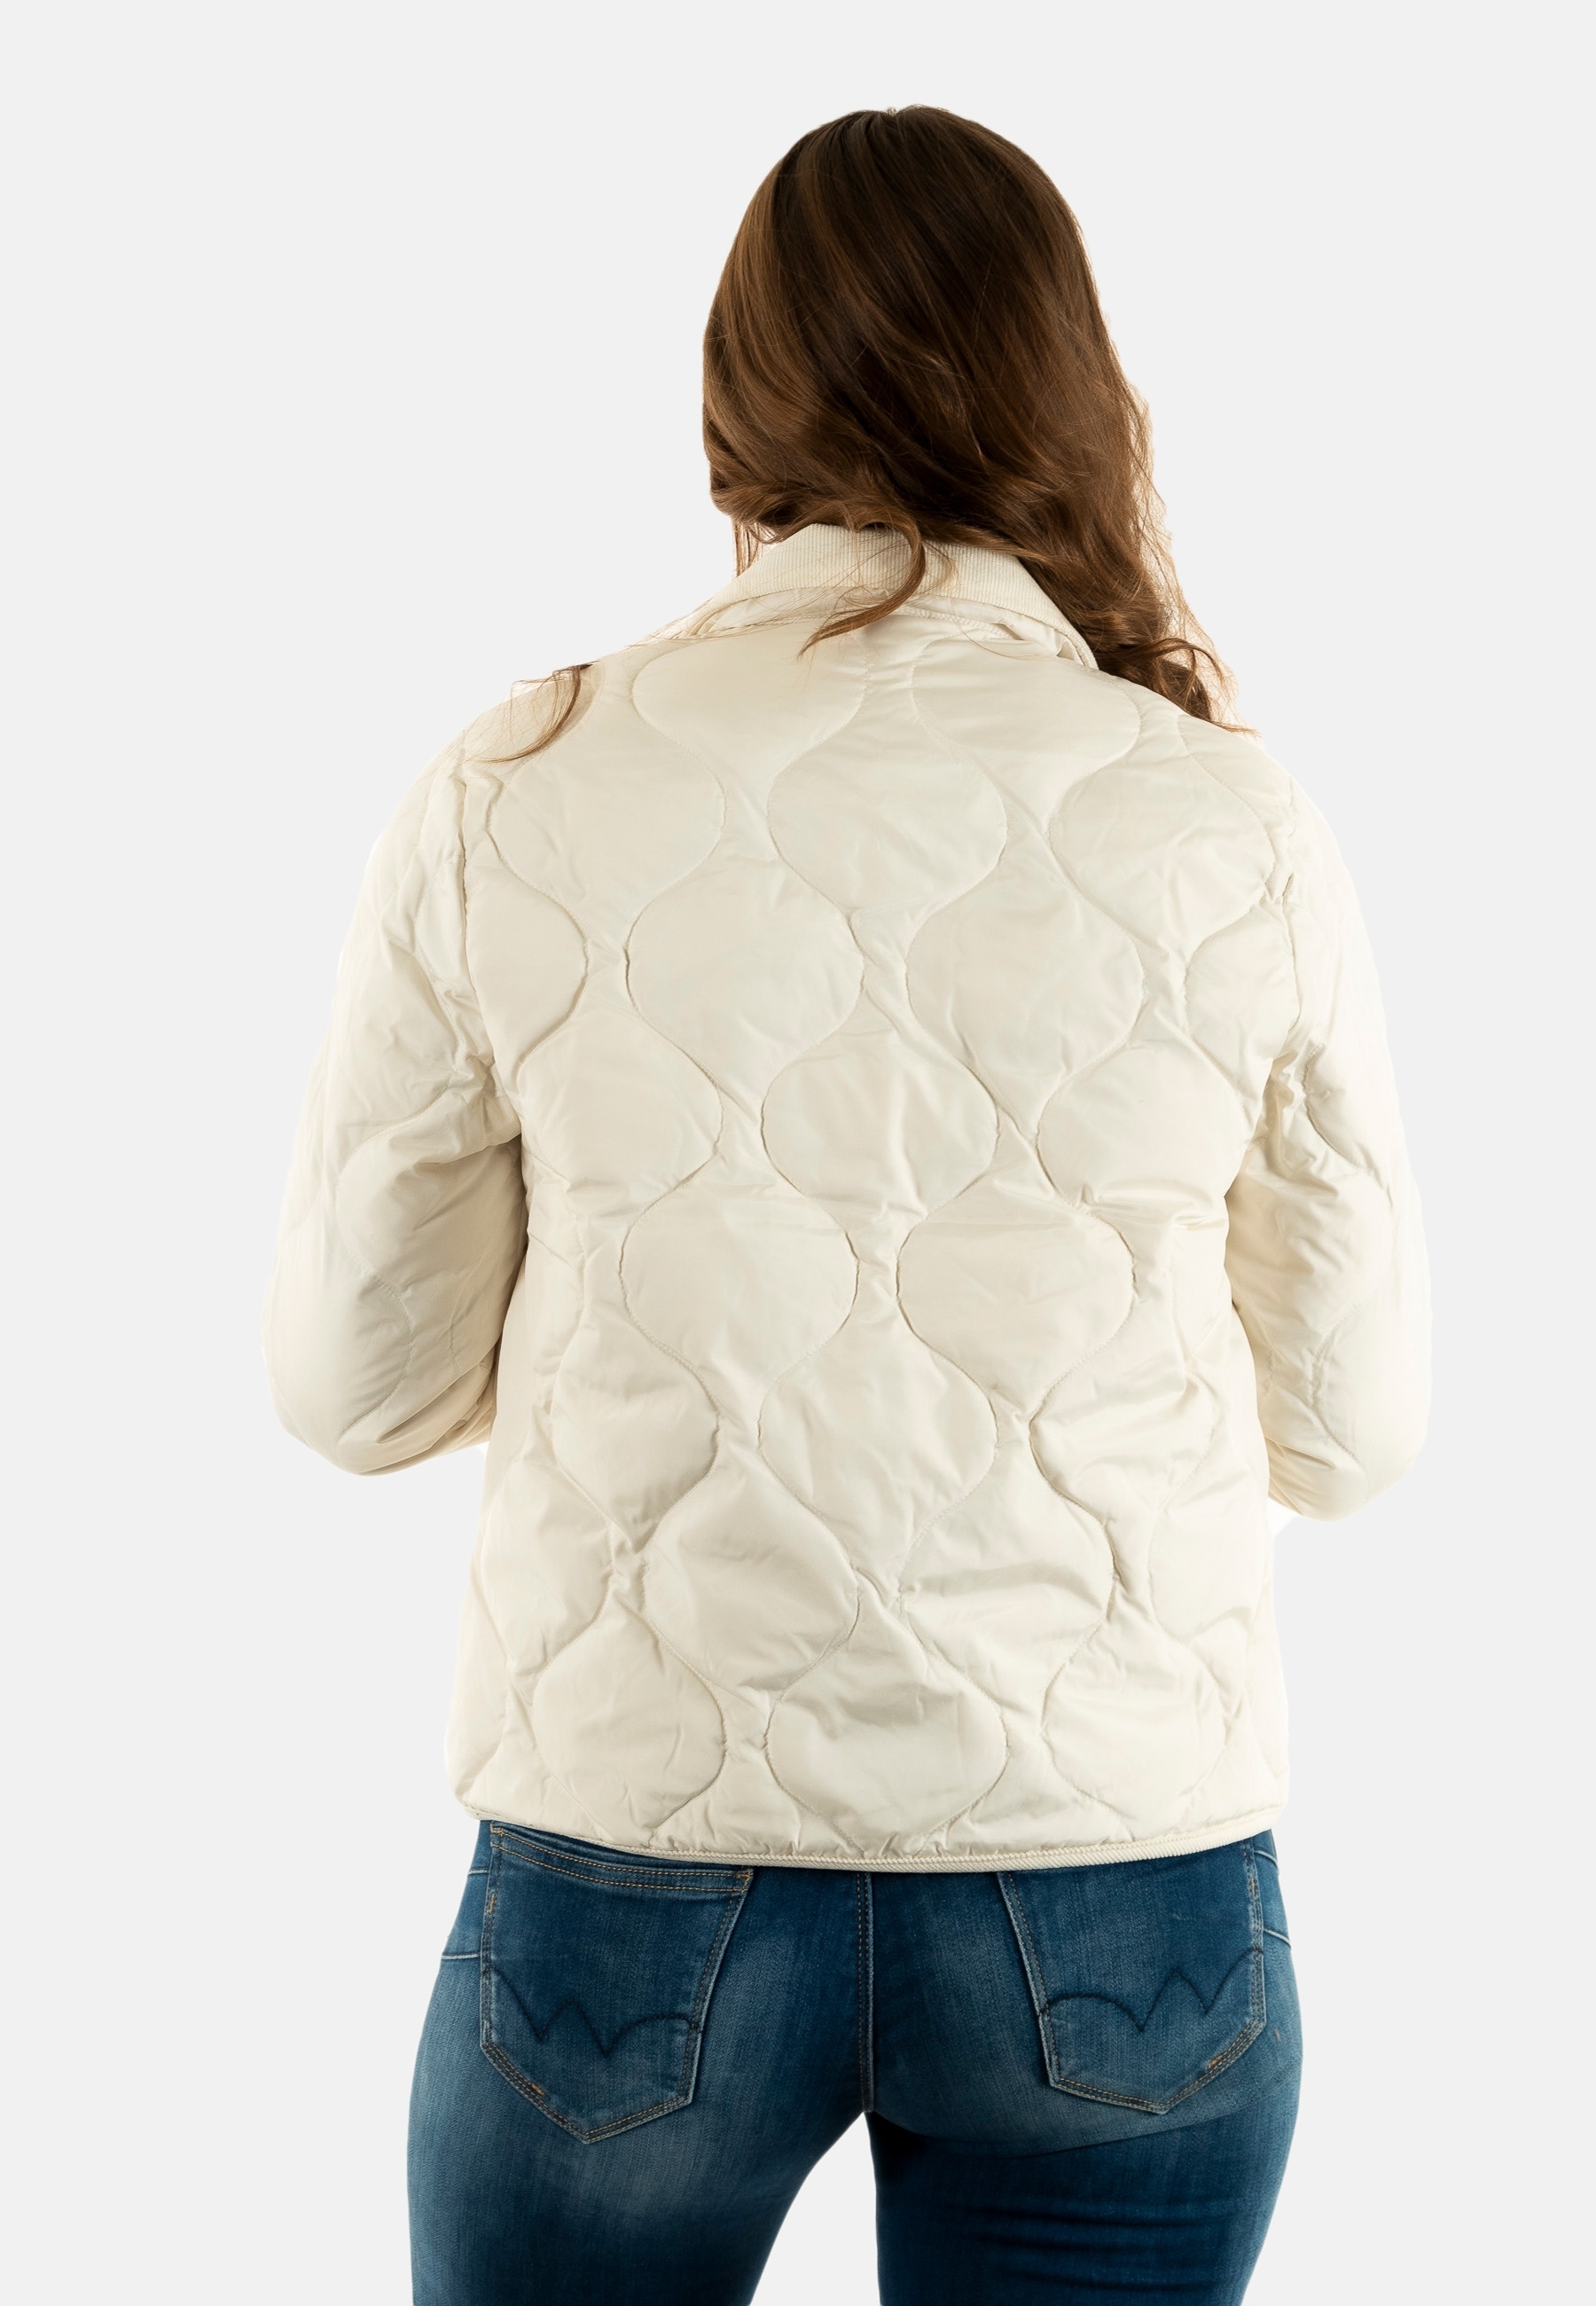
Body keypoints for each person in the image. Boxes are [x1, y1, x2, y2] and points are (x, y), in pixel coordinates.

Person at [265, 106, 1428, 2306]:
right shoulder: (1231, 822)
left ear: (736, 398)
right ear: (1075, 391)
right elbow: (1354, 1437)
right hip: (1119, 1884)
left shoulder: (520, 781)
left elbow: (355, 1390)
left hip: (639, 1872)